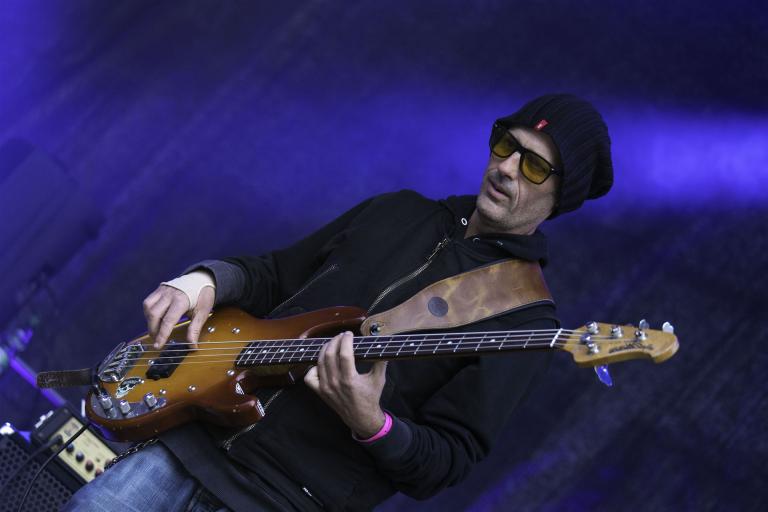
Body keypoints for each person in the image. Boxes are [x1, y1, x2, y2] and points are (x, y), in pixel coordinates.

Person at [63, 93, 613, 511]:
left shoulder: (524, 316)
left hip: (284, 499)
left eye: (533, 166)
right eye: (505, 144)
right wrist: (202, 280)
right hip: (188, 443)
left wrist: (372, 422)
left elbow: (446, 460)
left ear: (559, 197)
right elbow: (274, 274)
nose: (507, 167)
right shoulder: (399, 210)